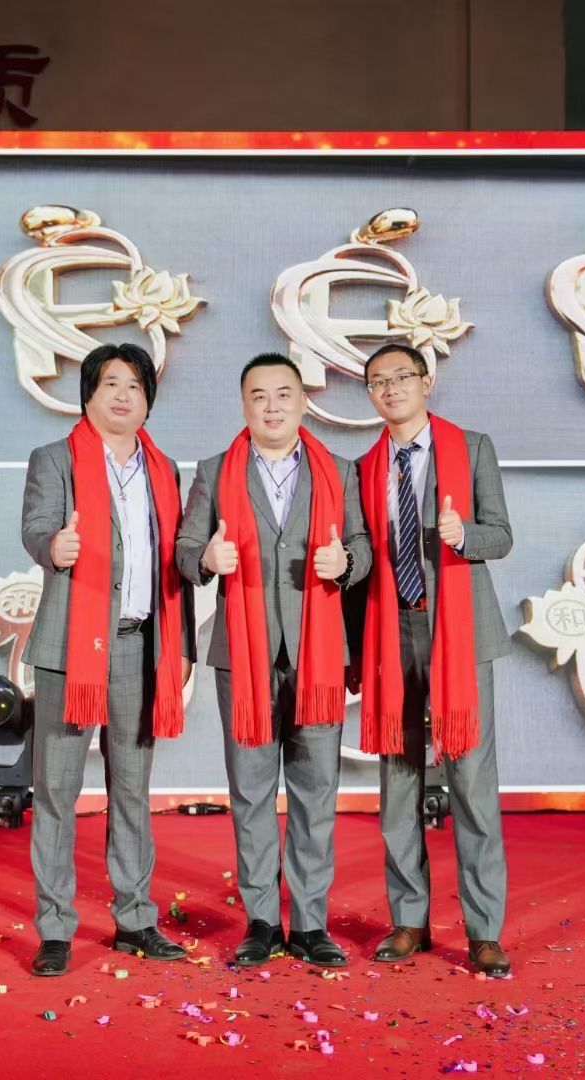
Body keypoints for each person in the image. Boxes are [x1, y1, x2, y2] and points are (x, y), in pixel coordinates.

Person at [176, 353, 371, 967]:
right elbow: (185, 545)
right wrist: (206, 559)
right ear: (243, 405)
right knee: (252, 791)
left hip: (318, 656)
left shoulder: (339, 471)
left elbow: (363, 544)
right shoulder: (214, 471)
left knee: (316, 791)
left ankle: (310, 923)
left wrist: (348, 562)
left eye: (283, 394)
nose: (272, 405)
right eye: (258, 395)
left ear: (303, 401)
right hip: (244, 657)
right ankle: (262, 920)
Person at [19, 342, 195, 977]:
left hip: (143, 646)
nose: (123, 395)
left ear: (149, 400)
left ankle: (136, 919)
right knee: (57, 791)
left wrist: (181, 640)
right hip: (71, 648)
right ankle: (55, 928)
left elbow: (176, 560)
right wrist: (53, 546)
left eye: (136, 386)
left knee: (132, 791)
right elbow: (36, 526)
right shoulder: (54, 459)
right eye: (111, 383)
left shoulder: (164, 469)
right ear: (88, 394)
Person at [354, 343, 514, 976]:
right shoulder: (365, 466)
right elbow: (363, 558)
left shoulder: (470, 448)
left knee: (471, 781)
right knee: (399, 782)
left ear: (426, 382)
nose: (390, 388)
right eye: (377, 382)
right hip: (390, 632)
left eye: (401, 377)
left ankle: (484, 930)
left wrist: (463, 536)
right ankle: (409, 920)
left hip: (461, 633)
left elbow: (501, 535)